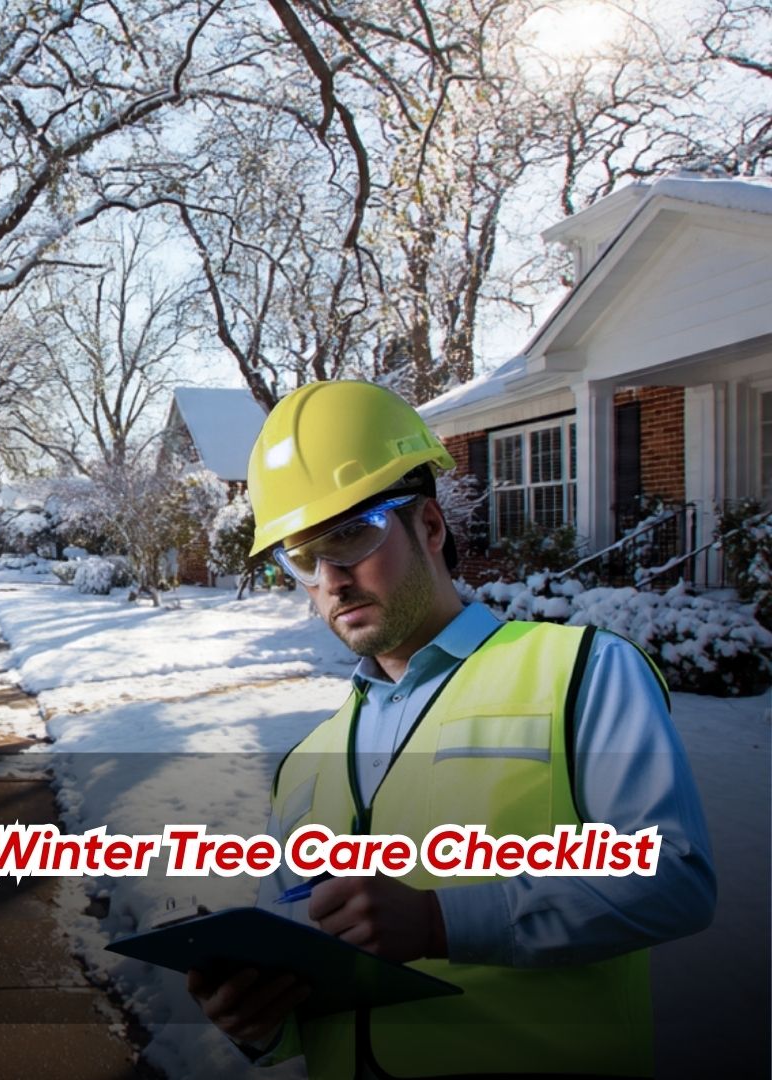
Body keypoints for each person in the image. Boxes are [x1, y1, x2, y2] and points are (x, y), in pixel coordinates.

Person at [187, 380, 715, 1078]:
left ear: (430, 527)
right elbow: (305, 971)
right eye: (303, 557)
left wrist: (443, 923)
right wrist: (259, 1019)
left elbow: (673, 877)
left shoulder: (581, 674)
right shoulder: (308, 764)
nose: (331, 579)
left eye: (351, 534)